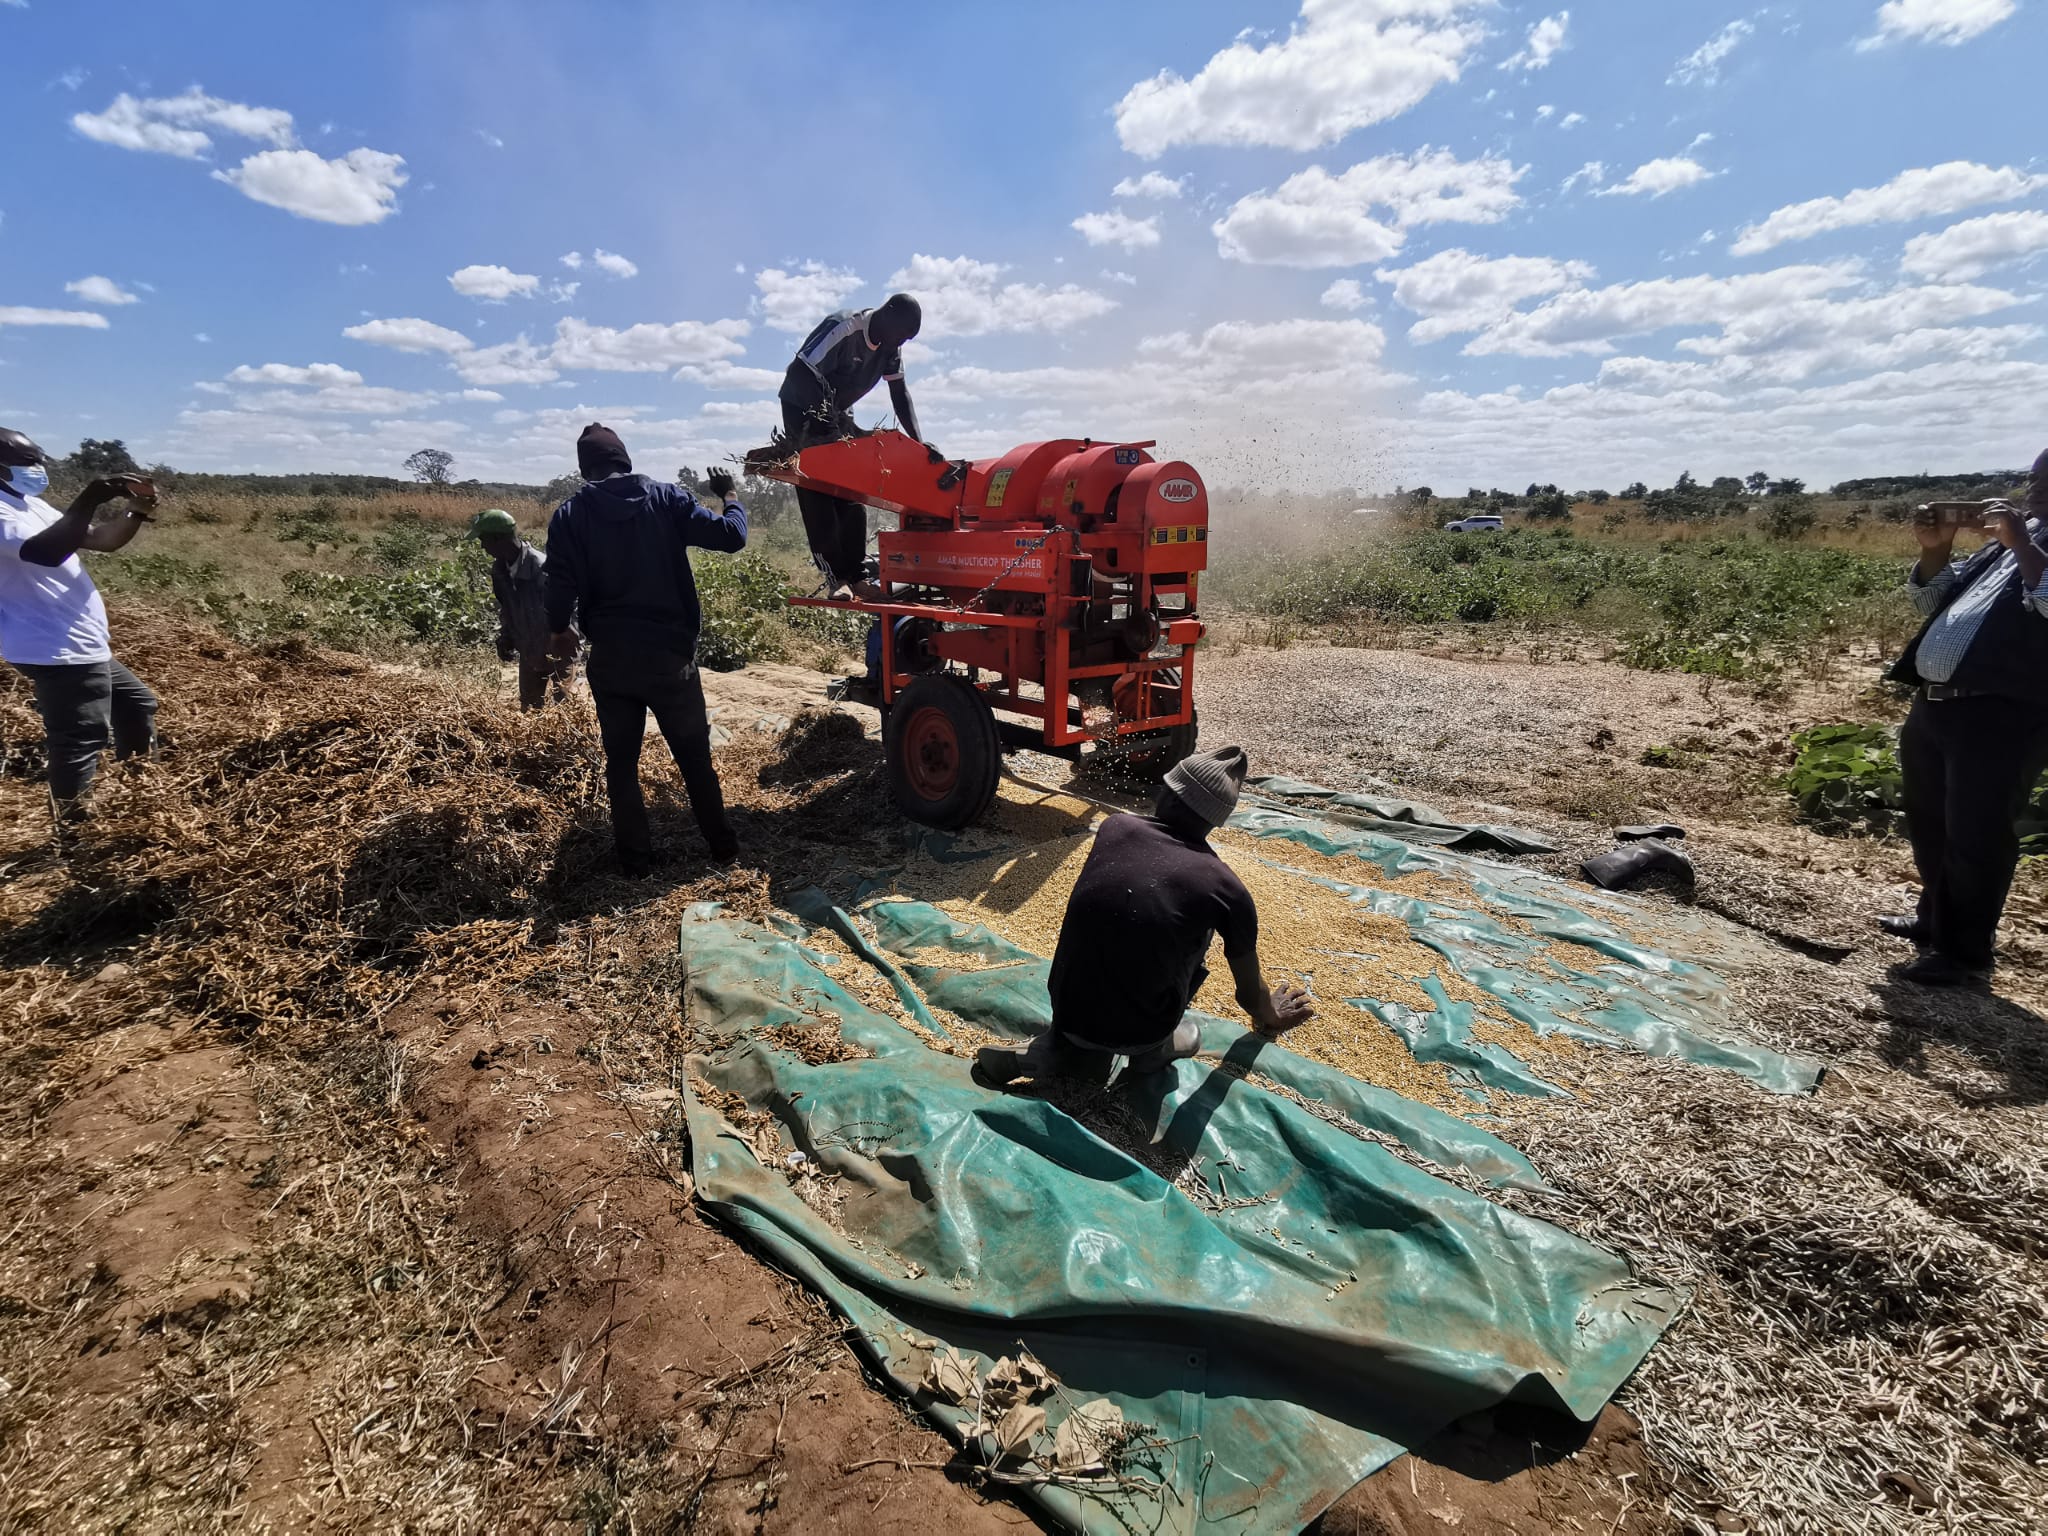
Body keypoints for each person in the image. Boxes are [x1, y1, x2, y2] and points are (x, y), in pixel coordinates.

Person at [975, 746, 1314, 1088]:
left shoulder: (1115, 827)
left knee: (1123, 915)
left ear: (1166, 792)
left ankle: (1059, 1045)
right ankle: (1153, 1049)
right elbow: (1247, 995)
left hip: (1068, 1007)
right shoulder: (1225, 889)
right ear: (1216, 819)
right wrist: (1271, 1015)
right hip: (1141, 1028)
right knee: (1192, 924)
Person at [542, 424, 746, 878]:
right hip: (669, 658)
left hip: (613, 661)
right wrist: (730, 495)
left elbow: (559, 587)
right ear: (625, 460)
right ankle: (723, 850)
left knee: (621, 763)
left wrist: (558, 629)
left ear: (585, 467)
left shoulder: (571, 515)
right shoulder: (668, 499)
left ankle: (636, 864)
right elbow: (732, 537)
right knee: (694, 757)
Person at [1881, 448, 2048, 987]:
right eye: (2034, 480)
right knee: (1932, 821)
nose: (2035, 490)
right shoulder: (2010, 543)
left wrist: (2022, 544)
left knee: (1978, 832)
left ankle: (1965, 954)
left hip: (2003, 711)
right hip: (1939, 703)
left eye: (2046, 482)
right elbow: (1930, 597)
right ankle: (1936, 921)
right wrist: (1937, 550)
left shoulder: (2024, 542)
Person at [0, 428, 160, 824]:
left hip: (78, 639)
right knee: (80, 738)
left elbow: (99, 539)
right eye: (26, 462)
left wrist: (136, 510)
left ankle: (141, 794)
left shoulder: (29, 504)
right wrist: (90, 497)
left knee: (137, 705)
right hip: (53, 643)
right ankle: (73, 835)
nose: (37, 468)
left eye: (38, 459)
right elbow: (46, 552)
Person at [778, 293, 923, 599]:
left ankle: (856, 576)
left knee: (852, 488)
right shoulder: (844, 327)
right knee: (818, 487)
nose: (901, 344)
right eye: (902, 335)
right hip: (802, 405)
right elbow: (801, 372)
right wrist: (823, 424)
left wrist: (919, 444)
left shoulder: (890, 347)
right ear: (886, 316)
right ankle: (836, 578)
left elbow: (899, 392)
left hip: (837, 410)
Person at [470, 508, 574, 710]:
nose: (482, 546)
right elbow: (507, 608)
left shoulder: (541, 567)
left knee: (565, 712)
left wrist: (558, 644)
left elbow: (565, 612)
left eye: (484, 540)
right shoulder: (499, 570)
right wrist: (506, 637)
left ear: (499, 539)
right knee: (529, 710)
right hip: (529, 649)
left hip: (558, 649)